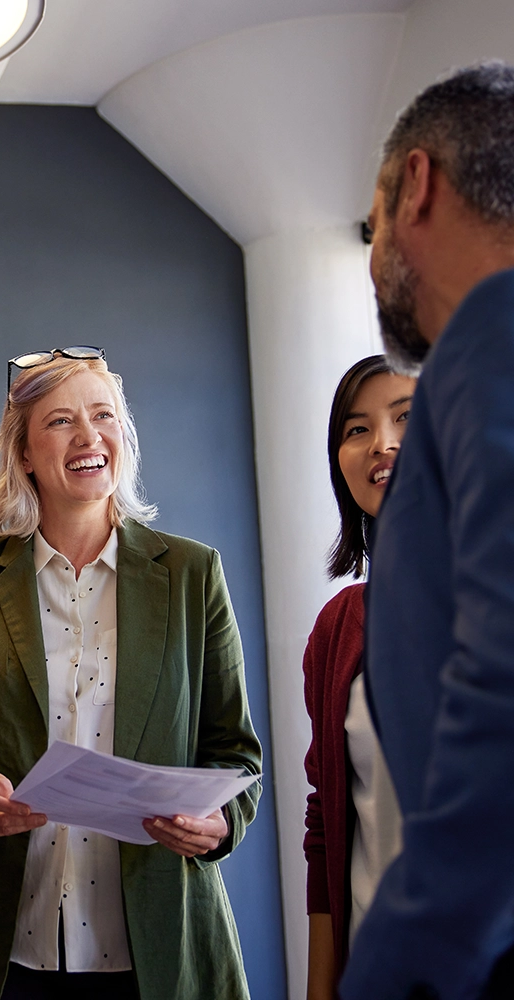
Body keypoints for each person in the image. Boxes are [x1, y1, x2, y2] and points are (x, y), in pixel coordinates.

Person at [0, 349, 262, 1000]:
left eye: (104, 416)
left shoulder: (192, 574)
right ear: (24, 455)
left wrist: (218, 824)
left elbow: (236, 756)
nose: (89, 435)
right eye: (61, 421)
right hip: (0, 956)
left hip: (160, 955)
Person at [339, 62, 514, 1000]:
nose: (372, 259)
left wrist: (407, 962)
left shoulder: (492, 332)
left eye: (369, 224)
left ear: (416, 185)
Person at [301, 356, 415, 999]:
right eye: (356, 429)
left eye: (404, 417)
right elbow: (328, 825)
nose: (383, 443)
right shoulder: (340, 627)